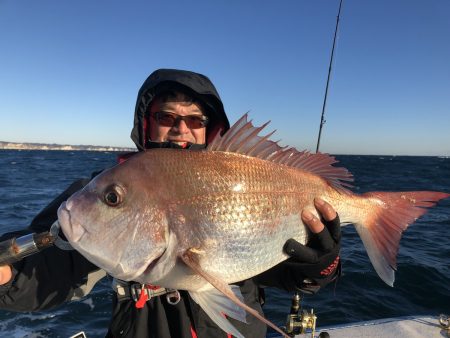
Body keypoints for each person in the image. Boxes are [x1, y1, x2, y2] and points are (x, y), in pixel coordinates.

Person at [0, 69, 341, 338]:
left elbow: (294, 278)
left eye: (195, 120)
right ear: (147, 123)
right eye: (167, 117)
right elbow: (46, 271)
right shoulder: (103, 187)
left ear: (211, 129)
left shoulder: (246, 175)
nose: (181, 129)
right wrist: (7, 274)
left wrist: (320, 265)